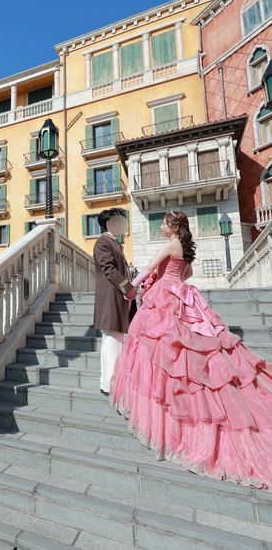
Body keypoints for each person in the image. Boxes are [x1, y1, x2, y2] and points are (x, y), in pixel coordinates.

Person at [111, 210, 272, 488]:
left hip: (165, 295)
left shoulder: (171, 244)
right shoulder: (184, 246)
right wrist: (172, 280)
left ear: (174, 227)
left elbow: (148, 269)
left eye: (164, 224)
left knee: (162, 349)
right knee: (183, 345)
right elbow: (189, 273)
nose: (160, 227)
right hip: (181, 293)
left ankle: (165, 407)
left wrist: (129, 288)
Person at [93, 208, 137, 396]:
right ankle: (111, 384)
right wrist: (128, 288)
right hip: (111, 297)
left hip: (117, 297)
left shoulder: (113, 242)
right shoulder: (104, 242)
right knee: (113, 341)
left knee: (112, 341)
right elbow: (109, 269)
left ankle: (107, 382)